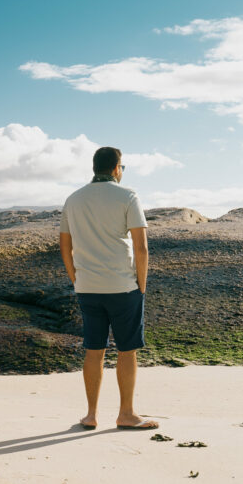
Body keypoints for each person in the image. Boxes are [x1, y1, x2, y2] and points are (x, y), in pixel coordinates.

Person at [59, 146, 156, 431]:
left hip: (87, 286)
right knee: (127, 351)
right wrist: (142, 284)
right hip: (123, 286)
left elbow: (65, 245)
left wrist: (75, 278)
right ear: (116, 168)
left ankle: (91, 415)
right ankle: (126, 413)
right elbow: (141, 246)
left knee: (94, 349)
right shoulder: (127, 196)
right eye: (122, 166)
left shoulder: (74, 199)